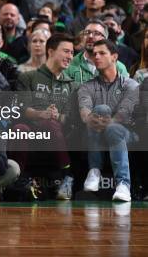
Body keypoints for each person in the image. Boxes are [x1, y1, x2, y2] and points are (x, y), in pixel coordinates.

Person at [14, 33, 77, 200]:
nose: (70, 56)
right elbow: (21, 109)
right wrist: (41, 113)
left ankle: (66, 177)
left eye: (72, 53)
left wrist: (58, 117)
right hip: (33, 128)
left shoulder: (72, 85)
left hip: (60, 132)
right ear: (50, 51)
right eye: (66, 51)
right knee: (20, 129)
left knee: (51, 124)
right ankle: (19, 180)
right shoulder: (28, 77)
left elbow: (71, 119)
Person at [78, 40, 139, 202]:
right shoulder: (86, 86)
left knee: (113, 128)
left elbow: (122, 116)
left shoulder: (131, 85)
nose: (96, 56)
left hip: (127, 135)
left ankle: (122, 184)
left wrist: (101, 121)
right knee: (100, 110)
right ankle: (96, 172)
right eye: (94, 53)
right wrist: (90, 118)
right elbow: (84, 112)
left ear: (114, 57)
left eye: (102, 53)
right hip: (93, 133)